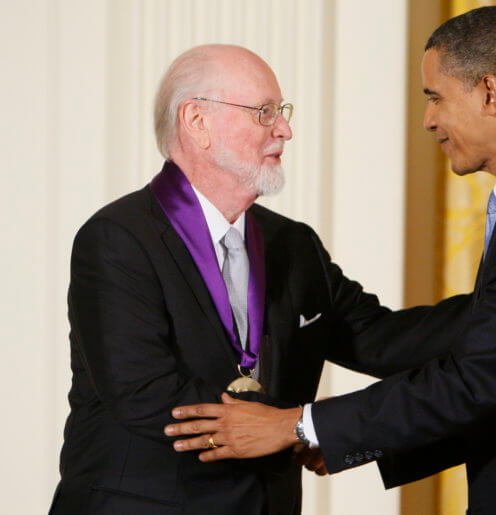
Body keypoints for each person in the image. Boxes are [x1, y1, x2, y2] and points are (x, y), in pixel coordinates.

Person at [165, 8, 496, 514]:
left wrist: (299, 426)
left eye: (435, 97)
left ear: (490, 92)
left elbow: (479, 377)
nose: (427, 120)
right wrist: (358, 434)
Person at [49, 44, 462, 514]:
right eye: (264, 113)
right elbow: (145, 393)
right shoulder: (117, 239)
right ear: (197, 121)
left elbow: (384, 339)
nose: (284, 129)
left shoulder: (294, 244)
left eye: (280, 112)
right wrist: (297, 428)